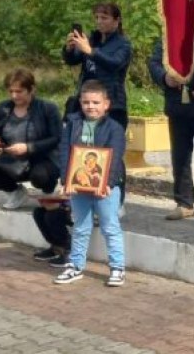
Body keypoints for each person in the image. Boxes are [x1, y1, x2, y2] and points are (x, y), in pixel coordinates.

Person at [53, 80, 127, 287]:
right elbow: (65, 153)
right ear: (80, 103)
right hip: (78, 187)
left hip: (106, 188)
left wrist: (108, 183)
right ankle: (75, 266)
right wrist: (66, 180)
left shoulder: (114, 128)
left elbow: (115, 157)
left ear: (106, 104)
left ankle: (118, 268)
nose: (91, 106)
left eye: (96, 102)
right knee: (80, 227)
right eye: (86, 102)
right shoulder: (72, 124)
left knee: (110, 227)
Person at [147, 40, 194, 221]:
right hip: (178, 105)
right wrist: (165, 78)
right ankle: (184, 203)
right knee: (180, 157)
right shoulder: (171, 33)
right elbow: (154, 62)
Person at [0, 68, 62, 209]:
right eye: (11, 91)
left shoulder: (48, 108)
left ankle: (49, 189)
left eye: (19, 91)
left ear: (31, 89)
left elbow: (56, 138)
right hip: (12, 161)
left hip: (43, 159)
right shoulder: (3, 108)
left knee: (40, 176)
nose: (14, 96)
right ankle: (15, 192)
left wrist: (28, 148)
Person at [61, 2, 132, 128]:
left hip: (111, 103)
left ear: (117, 21)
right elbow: (72, 60)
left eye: (104, 18)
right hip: (86, 99)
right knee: (81, 138)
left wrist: (91, 51)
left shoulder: (123, 44)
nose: (99, 21)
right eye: (97, 17)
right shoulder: (92, 40)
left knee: (106, 139)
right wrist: (69, 49)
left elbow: (114, 64)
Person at [32, 197, 72, 267]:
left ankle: (69, 251)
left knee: (53, 215)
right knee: (38, 212)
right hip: (60, 203)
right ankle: (56, 248)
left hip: (75, 206)